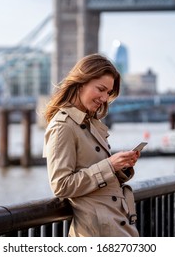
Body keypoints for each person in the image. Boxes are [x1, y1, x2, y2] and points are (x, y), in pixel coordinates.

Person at [43, 53, 140, 237]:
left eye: (108, 93)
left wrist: (120, 167)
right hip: (98, 230)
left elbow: (97, 176)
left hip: (115, 223)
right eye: (100, 89)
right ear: (81, 83)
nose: (104, 98)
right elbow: (61, 185)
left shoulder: (89, 123)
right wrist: (110, 165)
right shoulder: (63, 125)